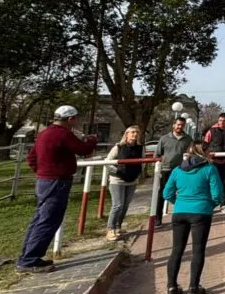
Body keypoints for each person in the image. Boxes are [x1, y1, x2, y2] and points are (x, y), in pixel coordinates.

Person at [16, 106, 98, 273]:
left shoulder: (44, 133)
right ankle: (29, 260)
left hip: (43, 181)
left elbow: (31, 157)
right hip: (57, 181)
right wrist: (92, 140)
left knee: (39, 219)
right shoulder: (63, 134)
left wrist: (42, 171)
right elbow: (83, 150)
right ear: (70, 119)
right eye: (75, 119)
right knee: (49, 220)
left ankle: (27, 256)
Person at [163, 140, 225, 294]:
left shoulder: (177, 170)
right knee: (198, 250)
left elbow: (167, 192)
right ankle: (193, 288)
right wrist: (209, 205)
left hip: (180, 213)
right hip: (201, 212)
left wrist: (179, 203)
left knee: (176, 250)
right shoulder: (209, 169)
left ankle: (171, 288)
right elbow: (218, 194)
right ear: (203, 152)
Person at [105, 126, 144, 241]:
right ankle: (110, 229)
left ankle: (118, 226)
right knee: (118, 205)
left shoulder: (141, 148)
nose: (135, 134)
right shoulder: (118, 147)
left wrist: (138, 172)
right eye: (132, 132)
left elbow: (142, 161)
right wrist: (117, 171)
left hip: (132, 180)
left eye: (137, 132)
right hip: (118, 180)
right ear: (126, 134)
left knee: (126, 205)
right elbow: (107, 162)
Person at [154, 117, 193, 226]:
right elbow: (157, 155)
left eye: (182, 125)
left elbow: (191, 154)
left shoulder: (188, 139)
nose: (179, 127)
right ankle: (158, 218)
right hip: (166, 170)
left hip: (181, 171)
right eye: (178, 124)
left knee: (183, 194)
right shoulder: (164, 138)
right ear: (173, 125)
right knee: (162, 193)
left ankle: (182, 217)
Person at [203, 112, 225, 213]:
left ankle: (223, 204)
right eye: (220, 121)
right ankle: (210, 204)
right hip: (213, 162)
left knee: (224, 182)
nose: (221, 123)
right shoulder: (211, 131)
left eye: (224, 121)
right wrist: (209, 154)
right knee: (211, 182)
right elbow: (205, 145)